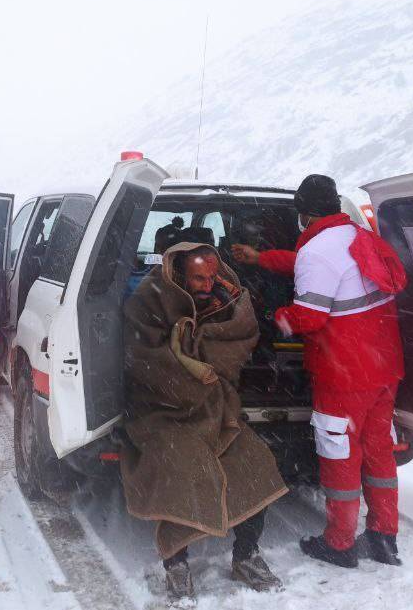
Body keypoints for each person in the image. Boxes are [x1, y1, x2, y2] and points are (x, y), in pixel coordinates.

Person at [232, 173, 409, 568]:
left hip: (344, 374)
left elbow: (307, 319)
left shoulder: (318, 251)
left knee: (340, 455)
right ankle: (384, 535)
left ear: (303, 215)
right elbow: (313, 264)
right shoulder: (358, 238)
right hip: (384, 368)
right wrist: (260, 258)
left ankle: (340, 544)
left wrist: (272, 317)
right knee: (378, 451)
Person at [121, 242, 288, 602]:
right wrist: (184, 369)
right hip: (162, 408)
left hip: (216, 407)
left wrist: (203, 348)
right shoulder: (150, 297)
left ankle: (247, 554)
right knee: (183, 468)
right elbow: (141, 358)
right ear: (181, 271)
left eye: (212, 275)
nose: (207, 284)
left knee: (255, 462)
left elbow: (241, 340)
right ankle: (176, 563)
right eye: (199, 278)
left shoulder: (227, 296)